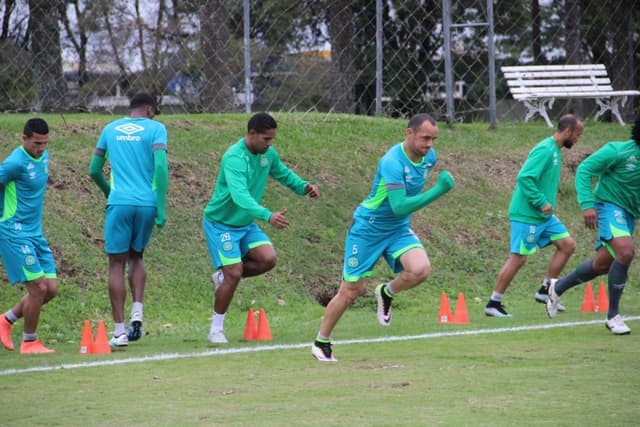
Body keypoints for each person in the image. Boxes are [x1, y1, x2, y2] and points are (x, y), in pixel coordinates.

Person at [312, 113, 455, 362]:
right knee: (351, 290)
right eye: (425, 138)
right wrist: (439, 190)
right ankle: (321, 342)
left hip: (397, 228)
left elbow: (402, 210)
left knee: (420, 269)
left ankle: (387, 292)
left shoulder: (428, 158)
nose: (430, 145)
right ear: (409, 133)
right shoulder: (392, 162)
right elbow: (399, 205)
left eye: (433, 139)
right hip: (368, 228)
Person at [203, 112, 319, 344]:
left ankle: (223, 276)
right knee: (234, 273)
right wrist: (268, 216)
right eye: (266, 139)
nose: (270, 144)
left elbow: (283, 174)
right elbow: (240, 196)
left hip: (245, 223)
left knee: (268, 259)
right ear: (252, 133)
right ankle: (216, 329)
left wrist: (303, 187)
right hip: (221, 223)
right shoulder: (234, 158)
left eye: (272, 139)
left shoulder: (268, 154)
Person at [547, 114, 640, 335]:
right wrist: (587, 204)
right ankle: (613, 316)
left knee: (601, 265)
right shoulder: (619, 151)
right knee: (625, 252)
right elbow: (585, 169)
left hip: (629, 215)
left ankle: (556, 288)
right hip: (609, 206)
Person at [89, 92, 169, 349]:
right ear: (148, 109)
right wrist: (161, 206)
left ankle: (120, 332)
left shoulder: (110, 129)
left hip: (120, 202)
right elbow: (161, 168)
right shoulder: (156, 129)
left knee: (116, 265)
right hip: (146, 203)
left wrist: (109, 193)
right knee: (137, 257)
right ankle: (137, 312)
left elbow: (93, 170)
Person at [485, 114, 583, 317]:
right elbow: (524, 177)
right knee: (518, 259)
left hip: (544, 217)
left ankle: (545, 290)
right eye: (577, 134)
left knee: (567, 245)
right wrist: (541, 202)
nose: (577, 139)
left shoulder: (555, 150)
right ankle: (493, 303)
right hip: (527, 215)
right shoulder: (545, 150)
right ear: (567, 131)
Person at [0, 118, 58, 354]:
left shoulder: (43, 157)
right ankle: (30, 341)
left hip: (35, 233)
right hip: (15, 232)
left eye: (45, 143)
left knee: (51, 289)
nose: (41, 148)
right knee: (38, 287)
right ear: (24, 139)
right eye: (36, 143)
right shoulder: (14, 163)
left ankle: (6, 320)